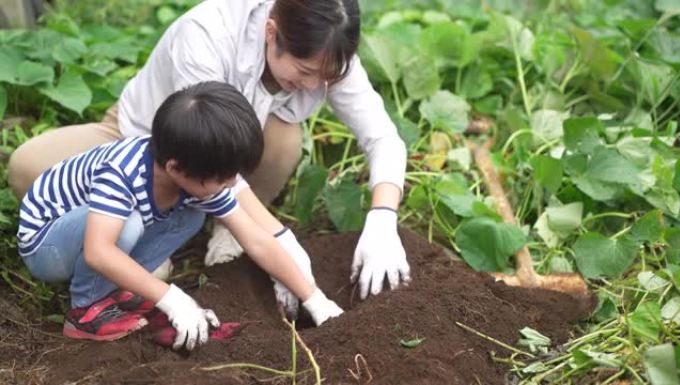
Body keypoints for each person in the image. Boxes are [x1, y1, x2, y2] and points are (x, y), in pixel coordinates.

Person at [9, 0, 410, 319]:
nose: (312, 86)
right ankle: (138, 245)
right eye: (305, 72)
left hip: (223, 161)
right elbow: (203, 149)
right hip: (146, 140)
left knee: (284, 143)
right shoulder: (207, 33)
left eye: (324, 79)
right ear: (272, 32)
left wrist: (382, 219)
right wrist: (279, 236)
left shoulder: (328, 56)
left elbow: (382, 138)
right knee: (28, 167)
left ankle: (222, 226)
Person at [17, 82, 343, 349]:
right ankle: (85, 311)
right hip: (46, 243)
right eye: (222, 177)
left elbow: (255, 238)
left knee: (190, 217)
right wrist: (173, 299)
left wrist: (314, 299)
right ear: (176, 167)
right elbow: (98, 251)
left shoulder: (193, 173)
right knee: (126, 227)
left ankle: (113, 292)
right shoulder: (121, 173)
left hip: (95, 237)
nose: (230, 185)